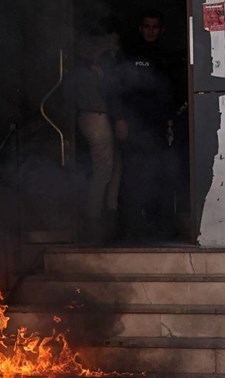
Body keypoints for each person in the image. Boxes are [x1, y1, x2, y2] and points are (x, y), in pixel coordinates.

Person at [111, 9, 177, 242]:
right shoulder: (127, 53)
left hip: (157, 125)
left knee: (157, 174)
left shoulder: (164, 56)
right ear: (141, 28)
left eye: (155, 27)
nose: (150, 31)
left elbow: (169, 91)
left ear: (161, 29)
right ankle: (127, 228)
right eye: (147, 26)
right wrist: (119, 118)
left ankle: (156, 227)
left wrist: (170, 120)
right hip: (132, 124)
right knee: (131, 176)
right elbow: (115, 88)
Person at [71, 21, 123, 244]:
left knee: (113, 167)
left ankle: (108, 218)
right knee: (104, 170)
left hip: (93, 115)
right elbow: (112, 90)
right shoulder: (105, 56)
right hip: (97, 116)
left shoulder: (84, 58)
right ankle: (95, 223)